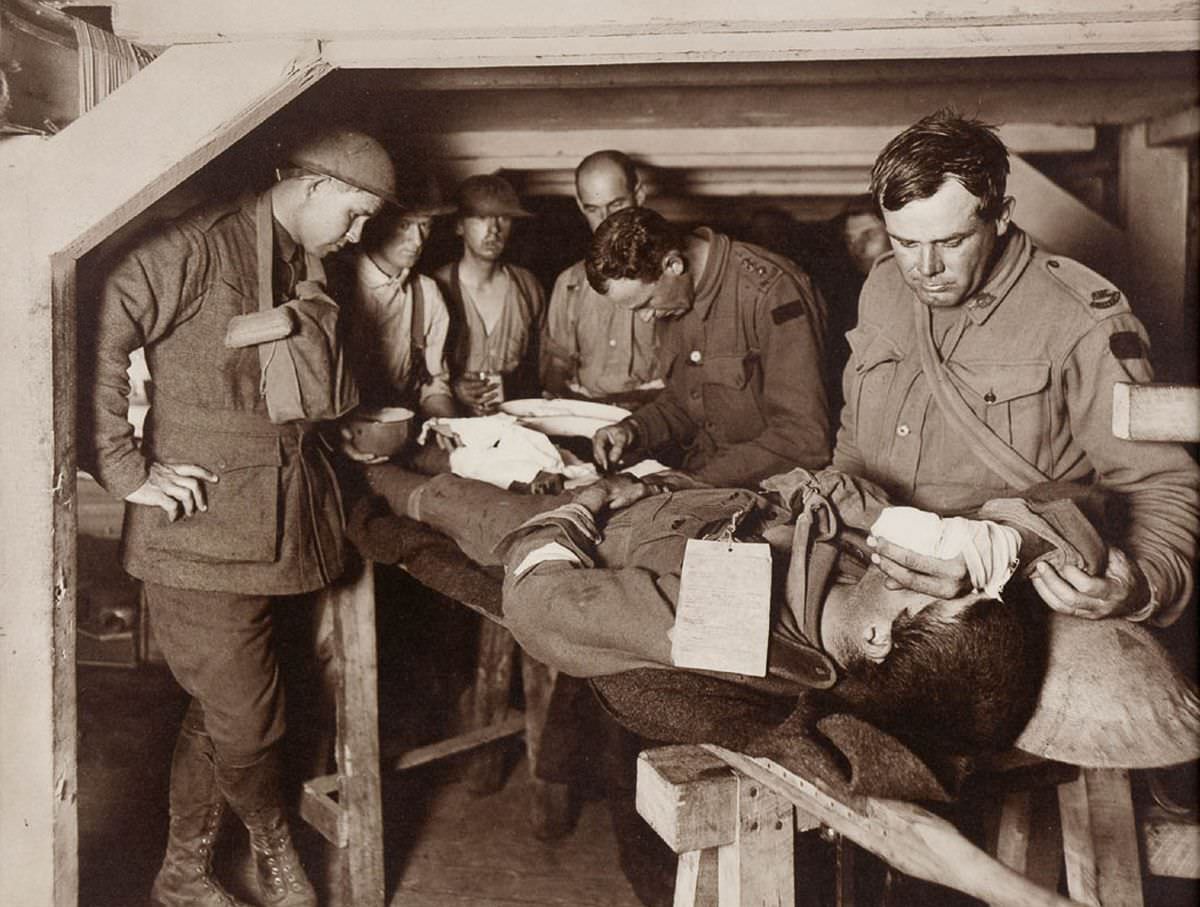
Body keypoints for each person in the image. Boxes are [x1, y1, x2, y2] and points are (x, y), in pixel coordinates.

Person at [78, 127, 397, 907]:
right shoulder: (199, 244)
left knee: (225, 703)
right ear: (313, 186)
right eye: (353, 215)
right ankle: (274, 848)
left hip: (277, 522)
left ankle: (184, 872)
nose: (358, 235)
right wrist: (124, 468)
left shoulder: (303, 256)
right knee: (249, 717)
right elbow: (94, 334)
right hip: (199, 530)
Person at [835, 109, 1200, 626]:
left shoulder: (1081, 318)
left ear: (1001, 215)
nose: (926, 269)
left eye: (952, 241)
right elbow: (854, 438)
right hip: (870, 559)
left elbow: (1161, 484)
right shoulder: (884, 286)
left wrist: (1139, 585)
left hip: (1012, 596)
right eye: (906, 242)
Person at [587, 207, 831, 489]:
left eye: (645, 304)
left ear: (673, 265)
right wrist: (634, 429)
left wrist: (696, 481)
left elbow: (804, 437)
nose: (645, 317)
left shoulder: (773, 292)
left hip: (768, 487)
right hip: (701, 474)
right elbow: (687, 402)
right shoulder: (675, 296)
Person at [540, 150, 663, 403]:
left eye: (617, 205)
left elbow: (693, 375)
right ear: (579, 204)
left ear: (639, 195)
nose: (607, 221)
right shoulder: (568, 283)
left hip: (656, 419)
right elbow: (556, 365)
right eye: (593, 209)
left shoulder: (672, 277)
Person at [335, 179, 457, 422]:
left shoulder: (427, 293)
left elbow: (433, 383)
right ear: (376, 223)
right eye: (405, 225)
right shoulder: (337, 285)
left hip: (400, 425)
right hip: (339, 428)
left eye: (425, 225)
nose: (418, 240)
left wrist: (448, 425)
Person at [435, 173, 546, 415]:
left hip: (515, 423)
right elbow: (416, 374)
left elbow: (543, 364)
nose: (494, 229)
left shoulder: (528, 286)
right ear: (459, 225)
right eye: (481, 218)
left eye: (503, 218)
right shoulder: (435, 287)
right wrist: (453, 388)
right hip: (455, 425)